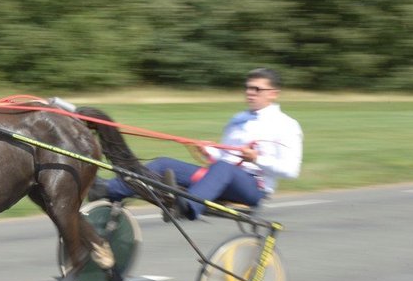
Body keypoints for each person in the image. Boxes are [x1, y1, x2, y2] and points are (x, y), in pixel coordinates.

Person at [91, 68, 303, 220]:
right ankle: (108, 189)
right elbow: (223, 160)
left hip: (253, 188)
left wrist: (257, 159)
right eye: (248, 88)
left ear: (273, 94)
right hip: (221, 177)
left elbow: (291, 171)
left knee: (223, 169)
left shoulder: (287, 126)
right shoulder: (239, 119)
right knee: (163, 164)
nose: (250, 93)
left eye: (257, 89)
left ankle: (189, 207)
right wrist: (209, 151)